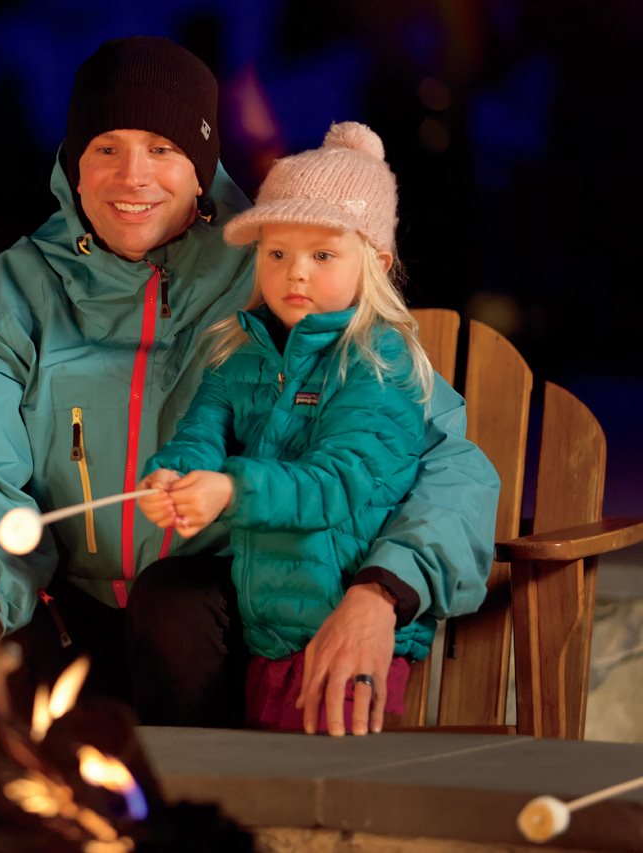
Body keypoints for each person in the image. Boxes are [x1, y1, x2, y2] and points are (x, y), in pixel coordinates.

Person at [0, 35, 499, 735]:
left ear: (203, 163)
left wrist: (379, 593)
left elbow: (446, 463)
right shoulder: (12, 295)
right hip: (66, 608)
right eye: (107, 147)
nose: (133, 176)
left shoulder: (275, 271)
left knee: (173, 604)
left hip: (223, 614)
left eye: (163, 147)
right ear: (72, 160)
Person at [137, 121, 443, 733]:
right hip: (267, 619)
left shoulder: (378, 365)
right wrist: (171, 474)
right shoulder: (240, 352)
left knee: (326, 782)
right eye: (277, 254)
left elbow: (339, 483)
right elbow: (203, 430)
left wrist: (231, 489)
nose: (294, 273)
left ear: (375, 261)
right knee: (262, 772)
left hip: (342, 621)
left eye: (322, 255)